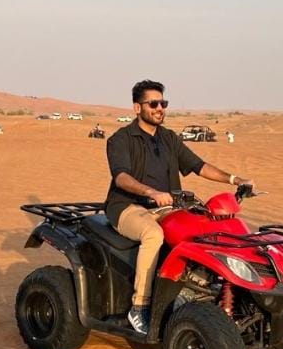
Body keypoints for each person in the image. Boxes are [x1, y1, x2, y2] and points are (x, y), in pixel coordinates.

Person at [106, 79, 252, 333]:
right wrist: (151, 192)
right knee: (153, 235)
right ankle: (139, 306)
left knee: (205, 230)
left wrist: (234, 179)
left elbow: (199, 166)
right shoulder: (121, 139)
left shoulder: (168, 138)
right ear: (137, 108)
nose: (160, 108)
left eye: (163, 103)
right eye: (153, 104)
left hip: (168, 207)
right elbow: (121, 177)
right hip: (129, 206)